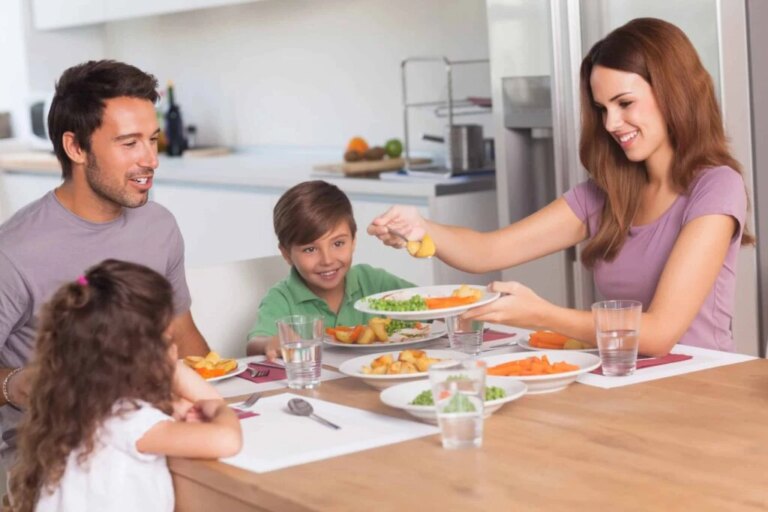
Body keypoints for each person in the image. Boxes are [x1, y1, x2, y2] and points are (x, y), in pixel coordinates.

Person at [368, 18, 751, 357]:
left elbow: (659, 334)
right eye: (602, 109)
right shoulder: (607, 194)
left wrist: (542, 315)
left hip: (703, 387)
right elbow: (489, 250)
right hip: (625, 381)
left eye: (624, 103)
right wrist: (422, 228)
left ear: (673, 93)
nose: (611, 123)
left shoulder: (717, 187)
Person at [0, 60, 212, 465]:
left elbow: (182, 335)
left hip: (153, 433)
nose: (151, 160)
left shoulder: (159, 225)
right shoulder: (13, 252)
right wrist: (16, 383)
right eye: (129, 143)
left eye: (152, 140)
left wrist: (229, 399)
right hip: (56, 457)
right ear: (76, 148)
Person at [8, 260, 242, 512]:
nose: (174, 348)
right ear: (143, 353)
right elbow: (227, 439)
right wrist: (217, 407)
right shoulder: (126, 420)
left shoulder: (81, 407)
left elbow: (183, 412)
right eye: (167, 339)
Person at [246, 180, 415, 358]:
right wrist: (270, 342)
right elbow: (255, 344)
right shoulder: (282, 299)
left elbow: (430, 309)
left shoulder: (374, 281)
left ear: (353, 241)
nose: (327, 260)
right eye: (310, 249)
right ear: (286, 254)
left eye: (338, 243)